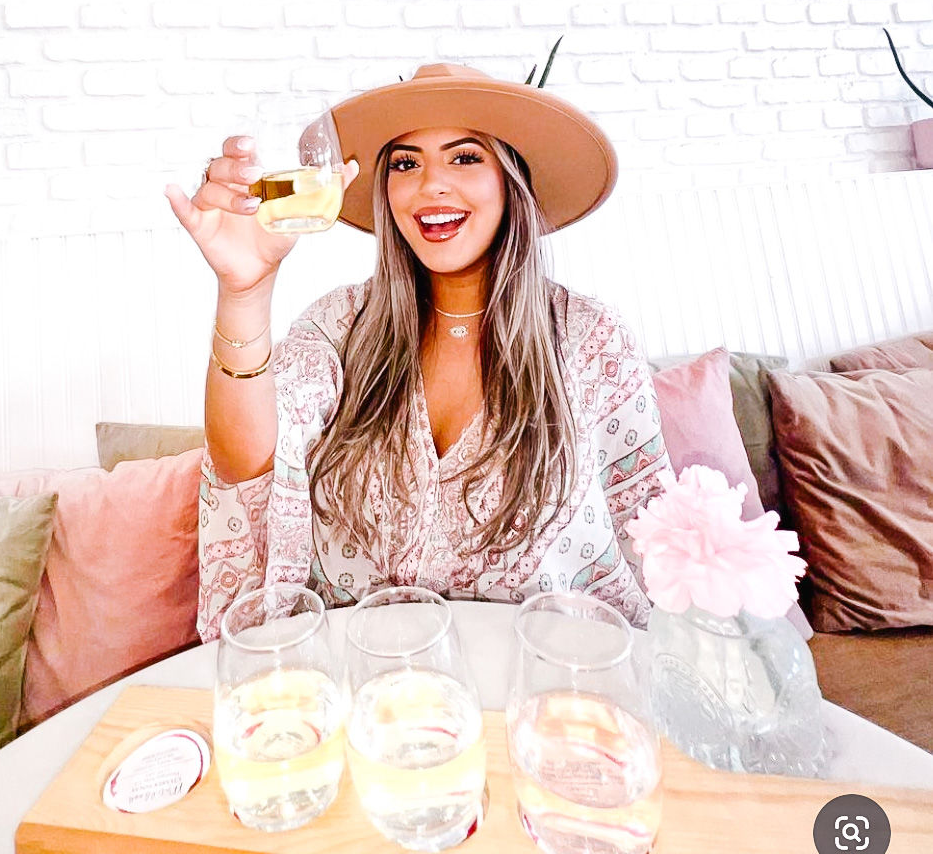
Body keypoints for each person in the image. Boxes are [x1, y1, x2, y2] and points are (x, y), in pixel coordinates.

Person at [166, 63, 671, 642]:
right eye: (406, 164)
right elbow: (248, 466)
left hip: (548, 681)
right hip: (369, 679)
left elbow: (655, 534)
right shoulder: (339, 326)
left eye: (465, 158)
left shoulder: (591, 338)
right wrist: (244, 293)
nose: (432, 186)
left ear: (511, 180)